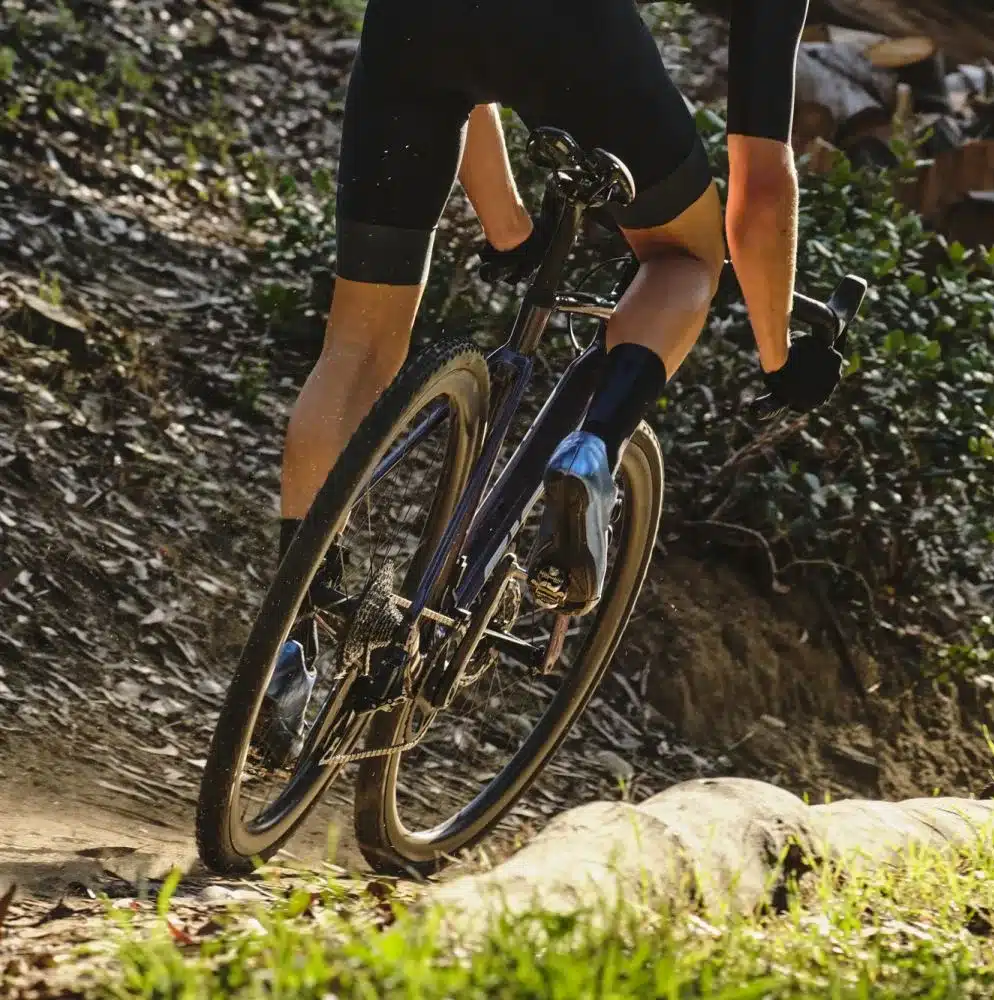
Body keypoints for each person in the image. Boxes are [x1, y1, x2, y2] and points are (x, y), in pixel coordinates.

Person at [253, 0, 846, 765]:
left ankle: (283, 645)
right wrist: (781, 355)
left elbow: (467, 61)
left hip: (410, 25)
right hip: (574, 32)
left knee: (356, 345)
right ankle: (594, 448)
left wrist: (510, 228)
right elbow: (759, 193)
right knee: (683, 259)